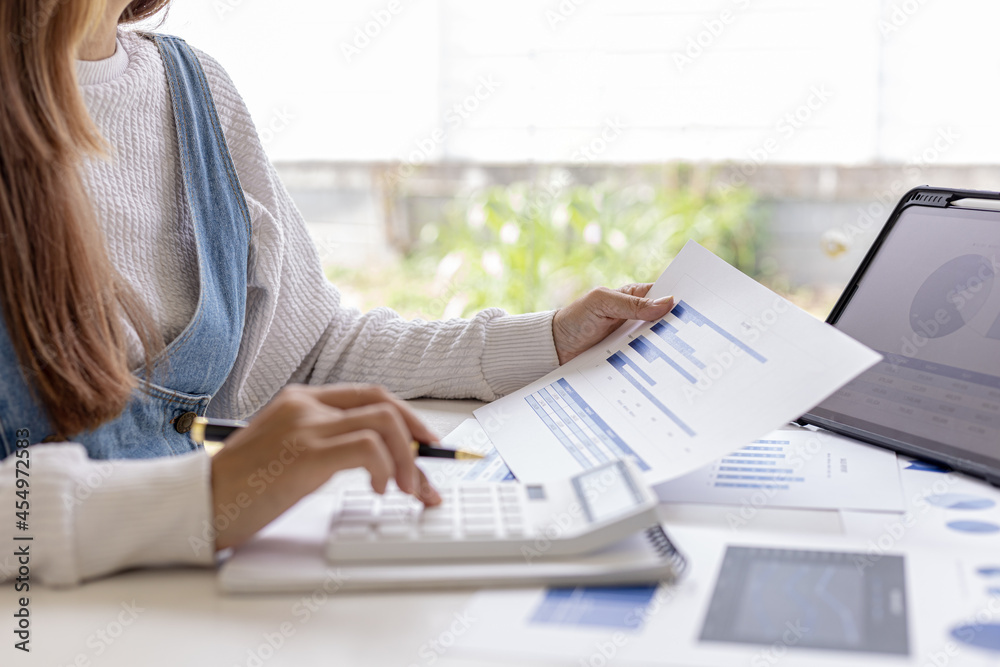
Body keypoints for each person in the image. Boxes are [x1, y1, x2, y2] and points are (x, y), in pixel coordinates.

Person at [0, 0, 674, 586]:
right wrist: (204, 498)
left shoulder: (193, 92)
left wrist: (545, 338)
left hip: (175, 601)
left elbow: (308, 353)